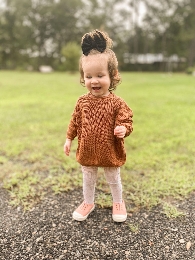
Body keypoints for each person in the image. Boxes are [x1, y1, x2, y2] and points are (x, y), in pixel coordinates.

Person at [64, 29, 133, 222]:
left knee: (113, 177)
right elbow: (75, 121)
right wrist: (69, 138)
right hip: (87, 150)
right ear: (83, 77)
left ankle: (118, 202)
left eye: (100, 75)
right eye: (88, 76)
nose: (94, 81)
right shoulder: (82, 102)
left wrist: (123, 129)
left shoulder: (117, 103)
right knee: (88, 177)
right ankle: (88, 201)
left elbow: (127, 120)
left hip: (109, 149)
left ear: (112, 75)